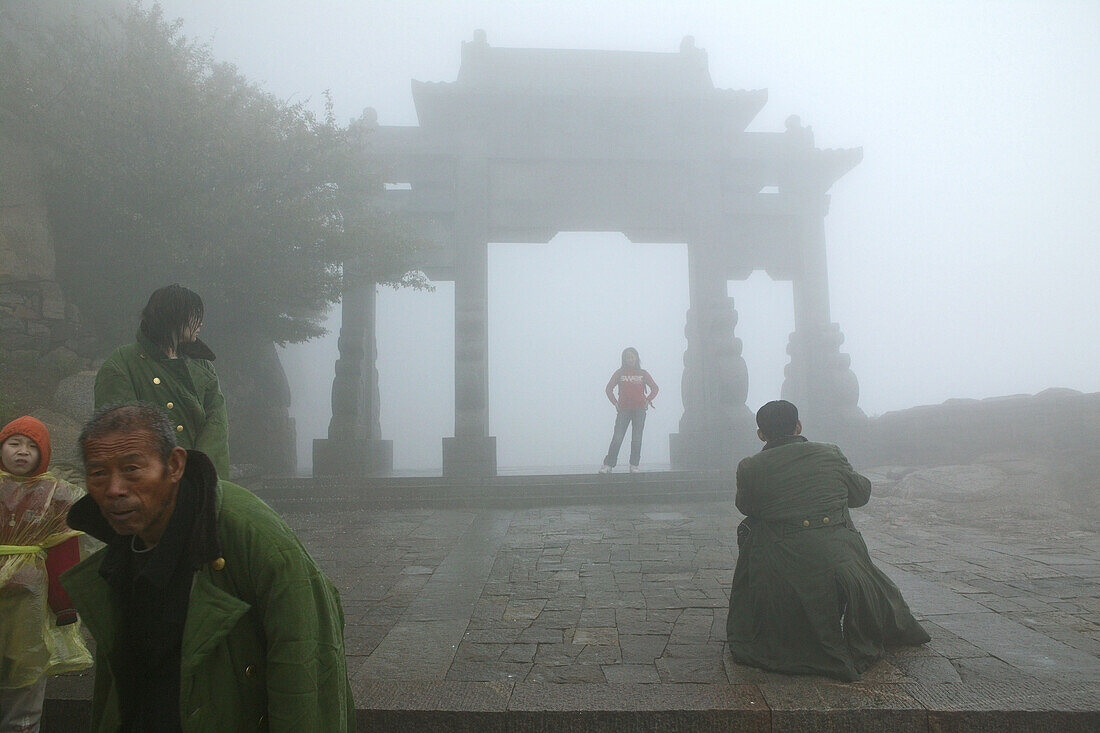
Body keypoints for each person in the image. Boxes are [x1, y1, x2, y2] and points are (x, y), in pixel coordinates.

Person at [62, 403, 354, 731]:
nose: (114, 489)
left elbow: (307, 670)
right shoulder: (121, 549)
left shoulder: (252, 538)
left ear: (174, 465)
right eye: (98, 473)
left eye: (132, 469)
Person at [726, 400, 930, 681]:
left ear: (761, 434)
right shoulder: (829, 452)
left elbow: (747, 506)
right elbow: (860, 495)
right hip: (841, 556)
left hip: (782, 557)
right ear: (798, 426)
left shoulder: (750, 466)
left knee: (752, 527)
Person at [0, 417, 91, 733]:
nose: (22, 452)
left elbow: (64, 557)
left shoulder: (56, 496)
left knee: (26, 675)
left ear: (44, 454)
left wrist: (64, 606)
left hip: (30, 602)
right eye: (14, 443)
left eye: (32, 446)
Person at [95, 284, 230, 478]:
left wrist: (199, 474)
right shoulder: (123, 364)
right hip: (147, 483)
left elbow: (217, 425)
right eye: (194, 315)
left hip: (200, 479)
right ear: (174, 316)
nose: (200, 323)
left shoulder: (203, 367)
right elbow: (119, 434)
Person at [599, 347, 659, 474]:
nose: (630, 359)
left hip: (639, 410)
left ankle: (634, 465)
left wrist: (648, 400)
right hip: (624, 410)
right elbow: (609, 388)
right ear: (624, 359)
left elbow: (655, 388)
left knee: (637, 438)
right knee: (617, 437)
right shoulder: (619, 373)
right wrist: (615, 402)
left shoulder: (643, 373)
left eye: (632, 356)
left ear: (636, 358)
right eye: (627, 357)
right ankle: (608, 465)